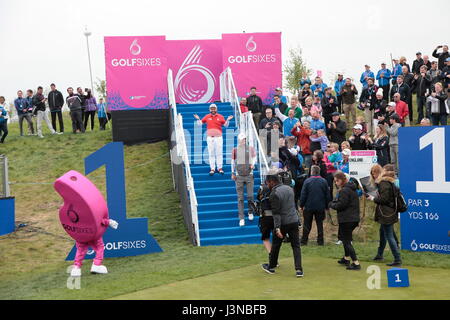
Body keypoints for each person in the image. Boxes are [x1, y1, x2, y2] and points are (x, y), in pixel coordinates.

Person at [261, 170, 303, 277]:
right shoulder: (289, 188)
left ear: (271, 182)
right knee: (296, 246)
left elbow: (276, 213)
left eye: (268, 182)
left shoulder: (274, 194)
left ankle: (271, 267)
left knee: (276, 245)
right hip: (293, 221)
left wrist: (277, 228)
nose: (267, 184)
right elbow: (292, 206)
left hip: (283, 223)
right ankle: (299, 270)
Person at [367, 164, 402, 266]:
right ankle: (379, 254)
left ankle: (397, 259)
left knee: (389, 236)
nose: (373, 176)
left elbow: (384, 199)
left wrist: (373, 198)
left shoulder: (384, 183)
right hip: (389, 212)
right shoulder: (388, 182)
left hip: (386, 213)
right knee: (383, 233)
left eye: (374, 173)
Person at [329, 171, 361, 270]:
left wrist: (332, 204)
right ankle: (346, 258)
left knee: (346, 241)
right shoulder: (352, 189)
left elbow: (341, 205)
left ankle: (356, 263)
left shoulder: (344, 191)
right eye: (335, 181)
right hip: (352, 218)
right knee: (345, 239)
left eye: (337, 181)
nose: (336, 183)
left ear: (343, 180)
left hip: (347, 219)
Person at [194, 104, 233, 175]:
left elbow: (226, 125)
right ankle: (212, 168)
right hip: (210, 138)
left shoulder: (220, 116)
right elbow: (200, 124)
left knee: (219, 153)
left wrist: (227, 120)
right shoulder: (207, 116)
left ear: (216, 109)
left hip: (218, 138)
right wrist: (198, 119)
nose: (213, 110)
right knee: (211, 153)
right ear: (209, 110)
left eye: (214, 109)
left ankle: (220, 168)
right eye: (211, 109)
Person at [299, 165, 331, 246]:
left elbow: (303, 194)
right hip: (320, 206)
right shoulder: (324, 181)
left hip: (309, 206)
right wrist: (327, 206)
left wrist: (301, 205)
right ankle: (320, 241)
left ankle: (304, 241)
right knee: (319, 224)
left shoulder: (307, 181)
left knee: (307, 224)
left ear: (312, 172)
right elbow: (327, 195)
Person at [231, 133, 256, 227]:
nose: (244, 141)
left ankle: (250, 212)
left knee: (250, 196)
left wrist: (253, 164)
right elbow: (232, 162)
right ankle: (241, 217)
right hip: (239, 176)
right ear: (239, 140)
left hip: (249, 174)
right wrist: (232, 172)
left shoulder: (250, 148)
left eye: (245, 139)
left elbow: (254, 158)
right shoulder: (235, 149)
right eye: (242, 139)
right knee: (240, 198)